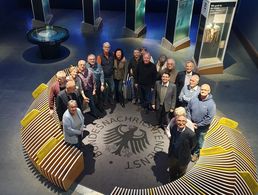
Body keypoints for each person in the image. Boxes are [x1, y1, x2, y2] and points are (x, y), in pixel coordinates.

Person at [186, 84, 216, 162]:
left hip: (202, 128)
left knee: (199, 141)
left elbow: (209, 118)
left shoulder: (211, 104)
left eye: (205, 90)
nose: (203, 91)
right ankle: (188, 151)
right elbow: (188, 110)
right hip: (191, 124)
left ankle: (196, 154)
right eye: (202, 89)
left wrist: (198, 125)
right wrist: (190, 121)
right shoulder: (194, 99)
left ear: (209, 91)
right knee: (190, 138)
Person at [168, 115, 196, 181]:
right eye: (179, 120)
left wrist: (184, 151)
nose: (181, 123)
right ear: (176, 121)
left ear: (186, 122)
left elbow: (193, 145)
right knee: (172, 171)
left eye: (183, 121)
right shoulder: (173, 127)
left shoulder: (191, 134)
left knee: (181, 173)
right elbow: (172, 139)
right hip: (173, 156)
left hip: (184, 158)